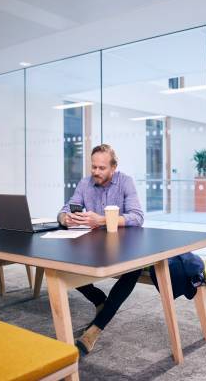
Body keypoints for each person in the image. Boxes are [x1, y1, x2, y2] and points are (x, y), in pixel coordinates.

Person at [57, 143, 144, 355]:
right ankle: (99, 300)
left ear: (113, 167)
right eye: (93, 167)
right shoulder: (85, 183)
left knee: (134, 269)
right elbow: (65, 209)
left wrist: (103, 219)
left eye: (101, 168)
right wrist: (65, 218)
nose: (96, 172)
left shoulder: (125, 182)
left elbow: (138, 216)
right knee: (60, 264)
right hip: (94, 244)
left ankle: (95, 330)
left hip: (124, 245)